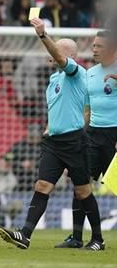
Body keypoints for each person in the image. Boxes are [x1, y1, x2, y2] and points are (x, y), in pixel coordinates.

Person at [0, 18, 104, 251]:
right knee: (42, 185)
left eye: (58, 49)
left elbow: (58, 57)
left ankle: (97, 239)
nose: (50, 52)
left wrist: (43, 35)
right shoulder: (54, 78)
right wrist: (49, 127)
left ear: (68, 56)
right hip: (53, 142)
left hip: (74, 141)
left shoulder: (76, 73)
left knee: (83, 191)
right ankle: (24, 235)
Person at [56, 30, 117, 248]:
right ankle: (76, 237)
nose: (94, 49)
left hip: (115, 135)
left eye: (99, 46)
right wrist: (79, 133)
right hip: (92, 135)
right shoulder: (90, 73)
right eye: (93, 45)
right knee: (81, 185)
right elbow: (87, 108)